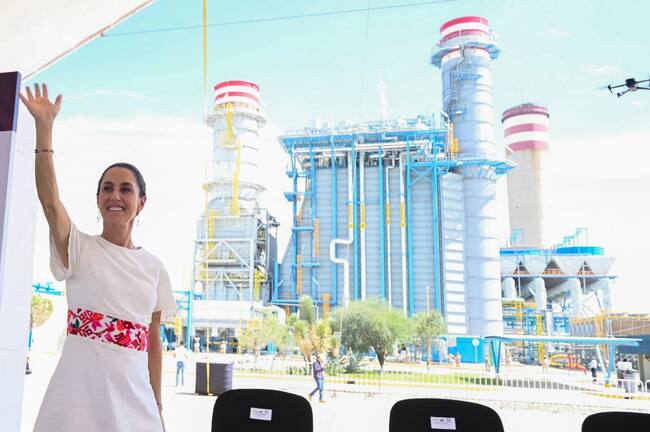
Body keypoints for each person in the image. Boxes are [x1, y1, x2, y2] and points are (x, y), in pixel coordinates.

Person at [21, 84, 178, 432]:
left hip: (134, 402)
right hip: (75, 399)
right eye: (107, 188)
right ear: (97, 200)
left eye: (125, 189)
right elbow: (50, 203)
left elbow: (153, 344)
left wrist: (157, 404)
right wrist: (44, 127)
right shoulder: (79, 247)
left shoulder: (155, 269)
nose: (115, 196)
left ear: (141, 202)